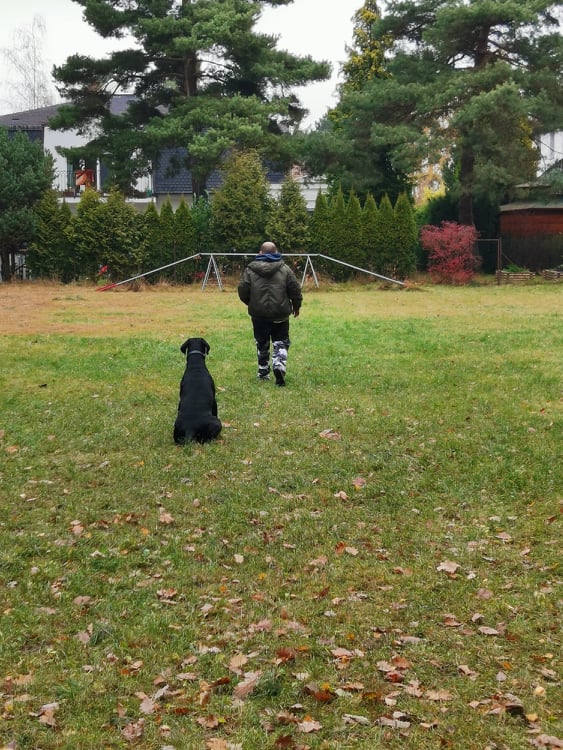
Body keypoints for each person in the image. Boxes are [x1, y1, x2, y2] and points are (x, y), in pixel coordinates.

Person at [237, 241, 302, 386]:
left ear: (260, 253)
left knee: (262, 342)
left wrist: (252, 303)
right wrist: (296, 306)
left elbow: (242, 290)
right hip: (280, 314)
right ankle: (279, 365)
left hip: (258, 315)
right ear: (276, 252)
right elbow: (295, 290)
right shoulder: (285, 269)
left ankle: (263, 372)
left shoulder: (250, 270)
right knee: (281, 342)